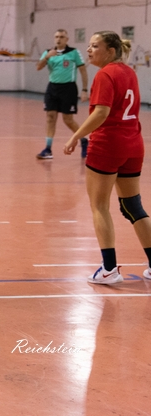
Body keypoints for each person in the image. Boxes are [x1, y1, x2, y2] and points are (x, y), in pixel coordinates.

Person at [65, 31, 150, 285]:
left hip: (108, 145)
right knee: (133, 206)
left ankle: (109, 269)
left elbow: (101, 112)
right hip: (133, 144)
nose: (89, 50)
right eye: (89, 45)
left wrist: (76, 136)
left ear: (111, 51)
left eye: (95, 46)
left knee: (99, 206)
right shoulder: (129, 72)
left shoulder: (105, 74)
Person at [36, 29, 89, 160]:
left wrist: (84, 90)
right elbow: (38, 67)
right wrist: (47, 57)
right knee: (50, 117)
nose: (58, 39)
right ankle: (48, 149)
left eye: (61, 37)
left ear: (67, 39)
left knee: (68, 120)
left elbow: (83, 70)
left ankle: (84, 140)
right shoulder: (48, 52)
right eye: (56, 37)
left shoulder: (74, 52)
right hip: (52, 88)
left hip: (68, 88)